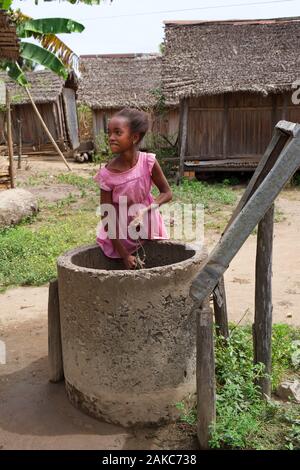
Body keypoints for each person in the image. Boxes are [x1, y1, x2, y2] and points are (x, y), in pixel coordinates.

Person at [94, 107, 172, 269]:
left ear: (134, 137)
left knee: (155, 268)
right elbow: (107, 218)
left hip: (148, 225)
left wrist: (146, 210)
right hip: (121, 234)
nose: (111, 138)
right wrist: (124, 255)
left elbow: (167, 192)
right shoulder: (107, 175)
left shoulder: (148, 162)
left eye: (117, 133)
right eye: (109, 133)